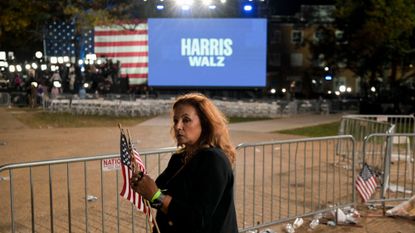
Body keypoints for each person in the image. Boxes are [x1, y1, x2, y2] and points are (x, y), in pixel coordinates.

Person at [131, 92, 238, 233]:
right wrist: (142, 183)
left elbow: (199, 219)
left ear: (204, 123)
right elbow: (158, 192)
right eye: (175, 121)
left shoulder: (214, 160)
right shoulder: (179, 158)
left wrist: (156, 195)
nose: (178, 127)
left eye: (186, 120)